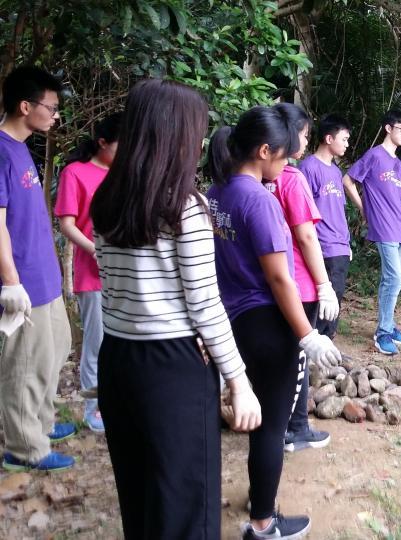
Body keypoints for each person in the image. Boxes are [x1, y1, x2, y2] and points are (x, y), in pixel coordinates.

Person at [90, 79, 262, 538]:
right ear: (177, 135)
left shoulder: (107, 200)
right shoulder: (184, 207)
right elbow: (205, 304)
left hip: (119, 361)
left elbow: (113, 284)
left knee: (140, 494)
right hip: (172, 370)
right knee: (186, 506)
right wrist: (239, 381)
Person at [206, 105, 342, 540]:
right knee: (271, 426)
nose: (285, 165)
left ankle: (252, 499)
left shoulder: (216, 192)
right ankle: (264, 522)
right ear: (263, 151)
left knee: (252, 416)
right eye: (283, 157)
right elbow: (280, 276)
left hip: (229, 319)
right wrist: (307, 333)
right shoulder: (259, 199)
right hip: (266, 321)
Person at [0, 66, 76, 472]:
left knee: (54, 350)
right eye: (51, 107)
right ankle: (25, 447)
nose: (55, 115)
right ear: (25, 106)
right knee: (25, 364)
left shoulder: (21, 147)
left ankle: (41, 423)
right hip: (22, 283)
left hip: (44, 278)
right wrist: (11, 283)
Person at [267, 103, 337, 454]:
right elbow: (307, 236)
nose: (307, 142)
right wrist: (324, 285)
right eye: (306, 135)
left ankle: (284, 425)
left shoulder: (258, 178)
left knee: (282, 358)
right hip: (299, 283)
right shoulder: (291, 179)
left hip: (272, 283)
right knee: (297, 359)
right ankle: (294, 428)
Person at [54, 112, 123, 434]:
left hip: (126, 274)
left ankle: (118, 402)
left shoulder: (124, 175)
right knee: (96, 342)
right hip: (93, 274)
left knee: (122, 343)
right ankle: (94, 408)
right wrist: (96, 249)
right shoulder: (75, 173)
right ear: (102, 143)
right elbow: (67, 224)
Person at [343, 110, 401, 355]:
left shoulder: (399, 164)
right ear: (388, 128)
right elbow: (348, 180)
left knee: (390, 280)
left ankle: (388, 324)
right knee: (394, 279)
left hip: (400, 228)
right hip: (383, 226)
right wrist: (363, 208)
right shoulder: (374, 156)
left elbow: (400, 199)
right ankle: (383, 333)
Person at [300, 114, 352, 341]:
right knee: (321, 303)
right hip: (322, 246)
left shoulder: (335, 171)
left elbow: (338, 211)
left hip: (340, 246)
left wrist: (347, 243)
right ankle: (316, 350)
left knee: (336, 300)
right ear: (329, 138)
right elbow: (302, 212)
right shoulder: (309, 168)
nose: (347, 144)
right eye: (344, 139)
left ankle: (327, 344)